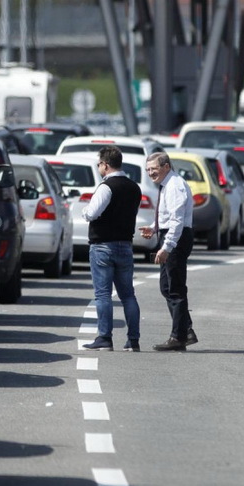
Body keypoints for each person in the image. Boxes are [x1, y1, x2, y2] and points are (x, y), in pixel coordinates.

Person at [81, 145, 142, 351]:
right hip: (125, 245)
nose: (99, 167)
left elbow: (92, 213)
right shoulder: (134, 187)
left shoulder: (106, 187)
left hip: (102, 246)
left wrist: (84, 211)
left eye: (99, 164)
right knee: (128, 295)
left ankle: (105, 338)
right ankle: (133, 340)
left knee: (103, 295)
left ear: (105, 165)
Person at [142, 152, 197, 351]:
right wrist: (154, 227)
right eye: (148, 170)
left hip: (177, 237)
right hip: (170, 234)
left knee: (175, 287)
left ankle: (178, 336)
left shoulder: (175, 185)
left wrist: (167, 246)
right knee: (167, 287)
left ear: (166, 166)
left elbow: (177, 220)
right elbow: (168, 217)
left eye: (154, 169)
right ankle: (185, 330)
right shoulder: (167, 184)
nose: (150, 173)